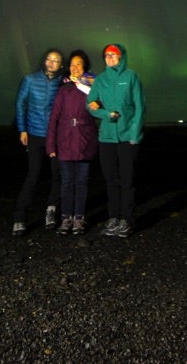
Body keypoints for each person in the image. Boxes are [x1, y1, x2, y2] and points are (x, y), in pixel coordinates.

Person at [86, 43, 145, 237]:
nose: (110, 58)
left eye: (114, 55)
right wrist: (106, 114)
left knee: (127, 180)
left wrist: (135, 135)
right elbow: (90, 105)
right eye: (106, 55)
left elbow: (139, 107)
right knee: (111, 180)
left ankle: (127, 220)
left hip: (127, 137)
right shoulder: (101, 80)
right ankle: (113, 217)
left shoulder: (131, 77)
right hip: (107, 137)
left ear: (122, 57)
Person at [45, 50, 99, 235]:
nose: (74, 67)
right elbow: (54, 118)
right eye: (72, 64)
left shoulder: (92, 88)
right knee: (67, 181)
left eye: (79, 64)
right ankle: (66, 218)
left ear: (85, 67)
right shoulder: (63, 89)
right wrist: (51, 144)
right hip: (65, 140)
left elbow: (98, 110)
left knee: (82, 181)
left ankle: (79, 218)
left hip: (85, 139)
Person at [12, 48, 64, 236]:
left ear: (60, 65)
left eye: (56, 60)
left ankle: (51, 211)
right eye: (49, 59)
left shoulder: (62, 83)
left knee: (57, 175)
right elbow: (20, 103)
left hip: (55, 136)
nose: (52, 62)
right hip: (34, 133)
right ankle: (19, 217)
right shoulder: (30, 79)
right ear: (44, 61)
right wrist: (22, 129)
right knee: (33, 175)